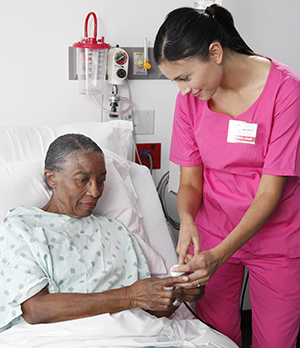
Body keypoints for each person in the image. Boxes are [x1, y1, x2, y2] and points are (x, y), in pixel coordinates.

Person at [0, 133, 238, 348]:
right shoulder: (23, 226)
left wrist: (176, 295)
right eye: (83, 180)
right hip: (64, 336)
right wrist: (130, 296)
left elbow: (148, 312)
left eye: (101, 180)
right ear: (52, 178)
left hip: (139, 333)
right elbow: (35, 309)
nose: (95, 191)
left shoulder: (115, 230)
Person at [154, 5, 300, 348]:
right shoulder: (191, 101)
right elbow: (190, 181)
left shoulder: (286, 91)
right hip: (212, 233)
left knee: (276, 342)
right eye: (174, 81)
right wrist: (188, 220)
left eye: (185, 77)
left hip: (275, 239)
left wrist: (220, 254)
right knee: (213, 338)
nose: (182, 91)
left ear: (215, 53)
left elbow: (269, 193)